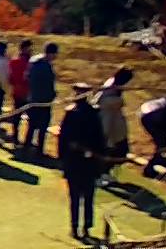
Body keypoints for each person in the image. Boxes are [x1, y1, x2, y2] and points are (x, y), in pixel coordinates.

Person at [58, 83, 106, 241]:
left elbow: (63, 140)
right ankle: (86, 227)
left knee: (75, 198)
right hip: (89, 162)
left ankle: (75, 227)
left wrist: (62, 161)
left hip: (74, 162)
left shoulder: (71, 113)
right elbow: (100, 140)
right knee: (88, 197)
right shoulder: (94, 114)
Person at [96, 67, 133, 186]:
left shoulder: (115, 87)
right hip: (108, 123)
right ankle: (100, 174)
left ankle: (106, 172)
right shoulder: (111, 90)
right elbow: (107, 108)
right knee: (108, 149)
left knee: (119, 149)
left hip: (115, 123)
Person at [26, 42, 59, 155]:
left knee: (32, 126)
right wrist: (53, 95)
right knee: (42, 126)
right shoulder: (45, 66)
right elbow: (47, 84)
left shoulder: (35, 62)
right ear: (51, 53)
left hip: (33, 98)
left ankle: (27, 146)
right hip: (43, 101)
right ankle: (39, 150)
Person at [7, 39, 33, 146]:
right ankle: (25, 140)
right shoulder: (28, 63)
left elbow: (10, 79)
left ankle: (17, 138)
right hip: (25, 93)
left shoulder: (14, 62)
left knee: (17, 117)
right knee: (27, 118)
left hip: (18, 92)